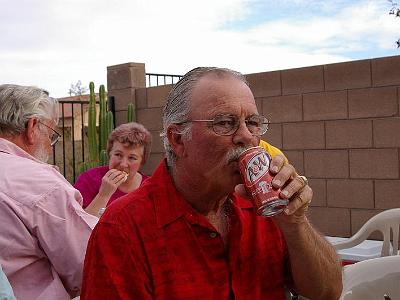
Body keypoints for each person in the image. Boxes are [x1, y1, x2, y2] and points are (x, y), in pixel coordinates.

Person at [81, 67, 342, 299]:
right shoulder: (122, 228)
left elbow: (327, 292)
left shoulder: (264, 207)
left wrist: (295, 223)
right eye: (225, 123)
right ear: (178, 139)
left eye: (252, 123)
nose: (247, 137)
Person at [0, 84, 98, 300]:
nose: (52, 146)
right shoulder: (41, 184)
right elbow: (89, 263)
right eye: (52, 135)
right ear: (32, 126)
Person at [74, 122, 152, 216]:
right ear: (109, 154)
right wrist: (103, 195)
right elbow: (79, 225)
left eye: (132, 158)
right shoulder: (88, 180)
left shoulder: (150, 189)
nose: (123, 164)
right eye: (118, 155)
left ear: (142, 162)